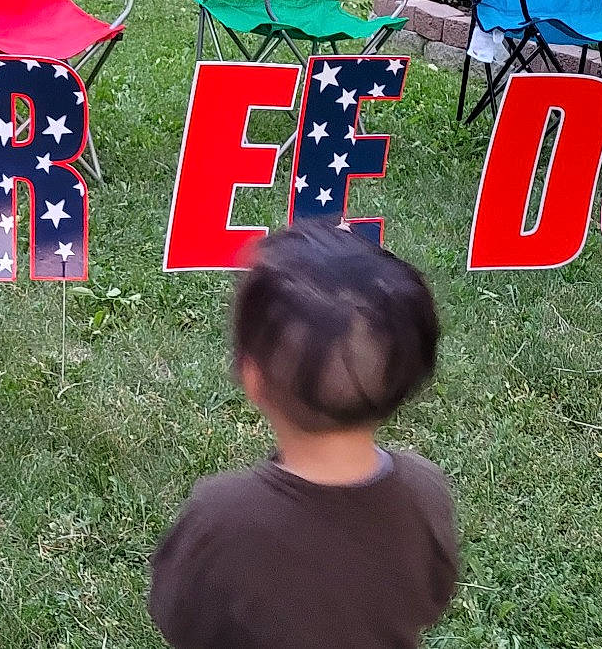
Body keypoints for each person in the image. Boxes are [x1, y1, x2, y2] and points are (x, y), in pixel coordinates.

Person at [149, 223, 457, 648]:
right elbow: (434, 595)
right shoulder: (425, 490)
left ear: (253, 378)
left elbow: (181, 619)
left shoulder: (220, 517)